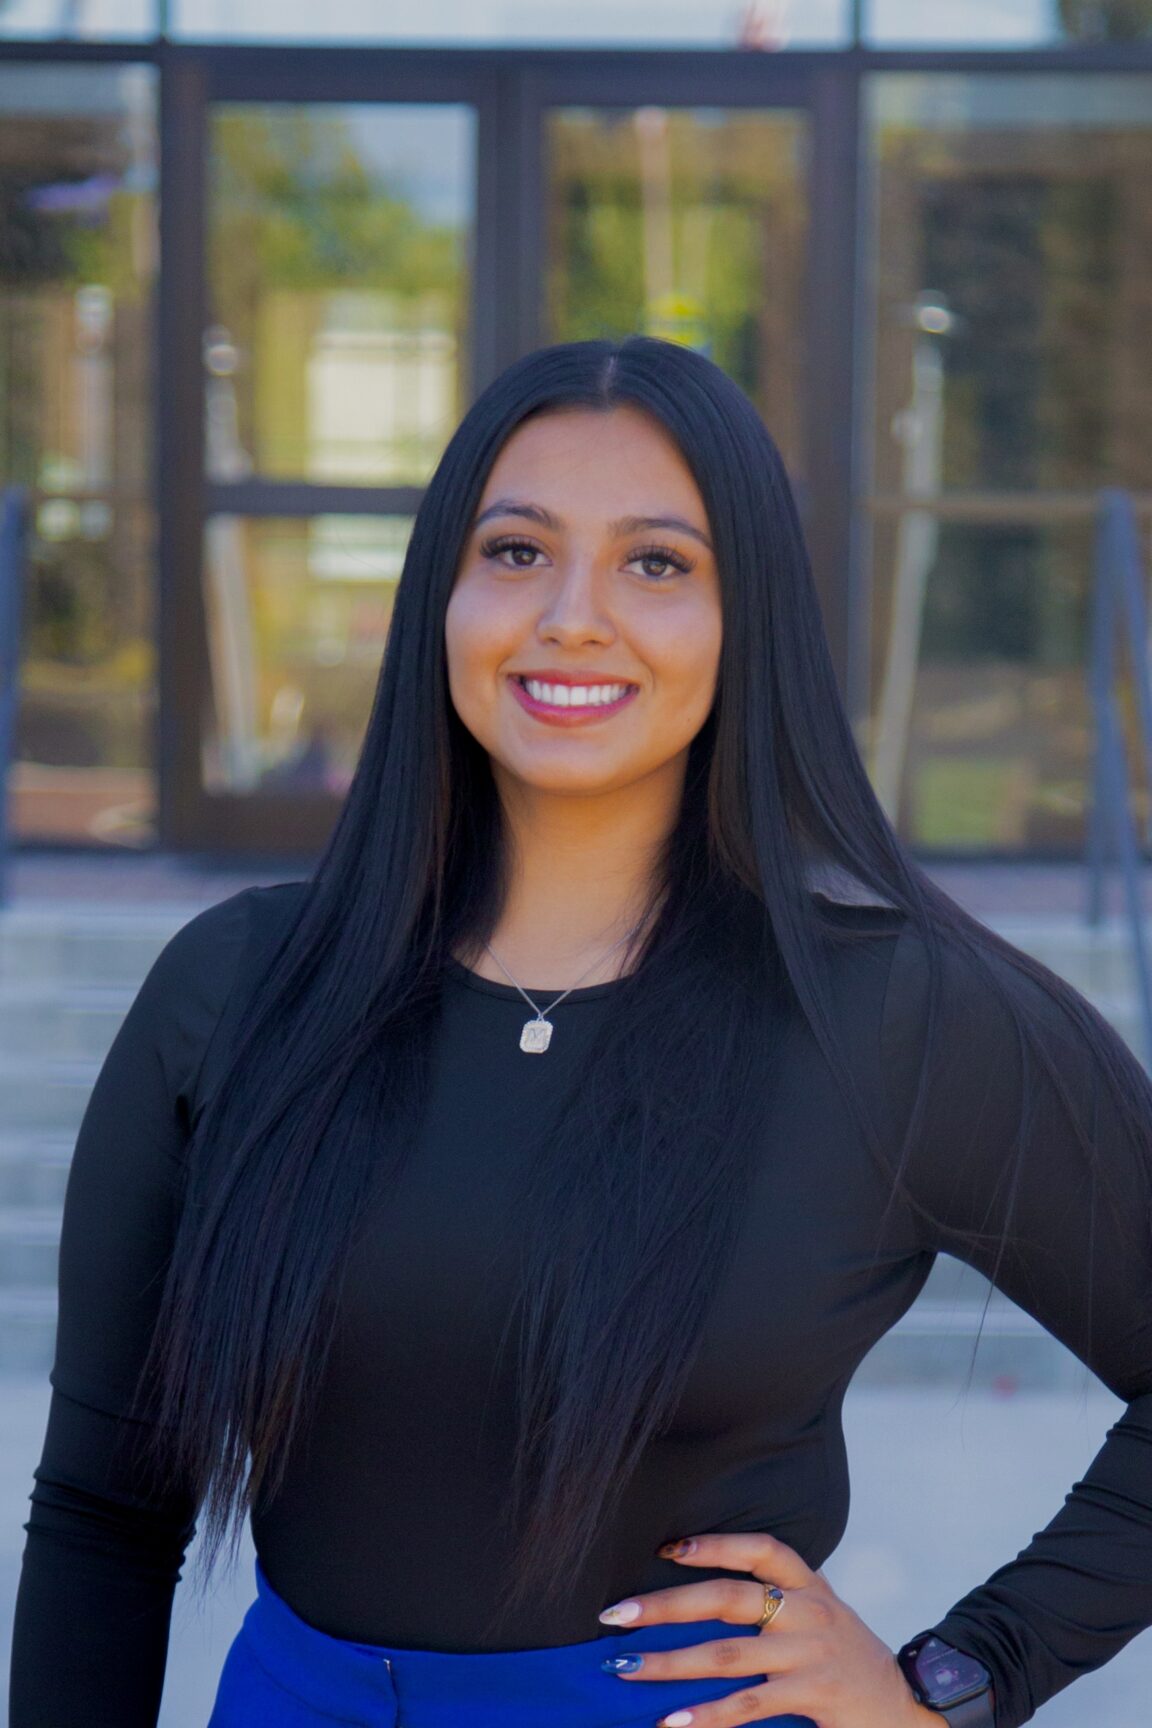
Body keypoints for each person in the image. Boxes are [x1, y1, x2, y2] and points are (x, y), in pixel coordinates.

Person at [8, 334, 1152, 1728]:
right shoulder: (239, 992)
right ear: (442, 591)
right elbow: (99, 1519)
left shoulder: (900, 1020)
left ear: (750, 620)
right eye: (517, 551)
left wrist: (963, 1679)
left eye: (657, 563)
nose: (571, 617)